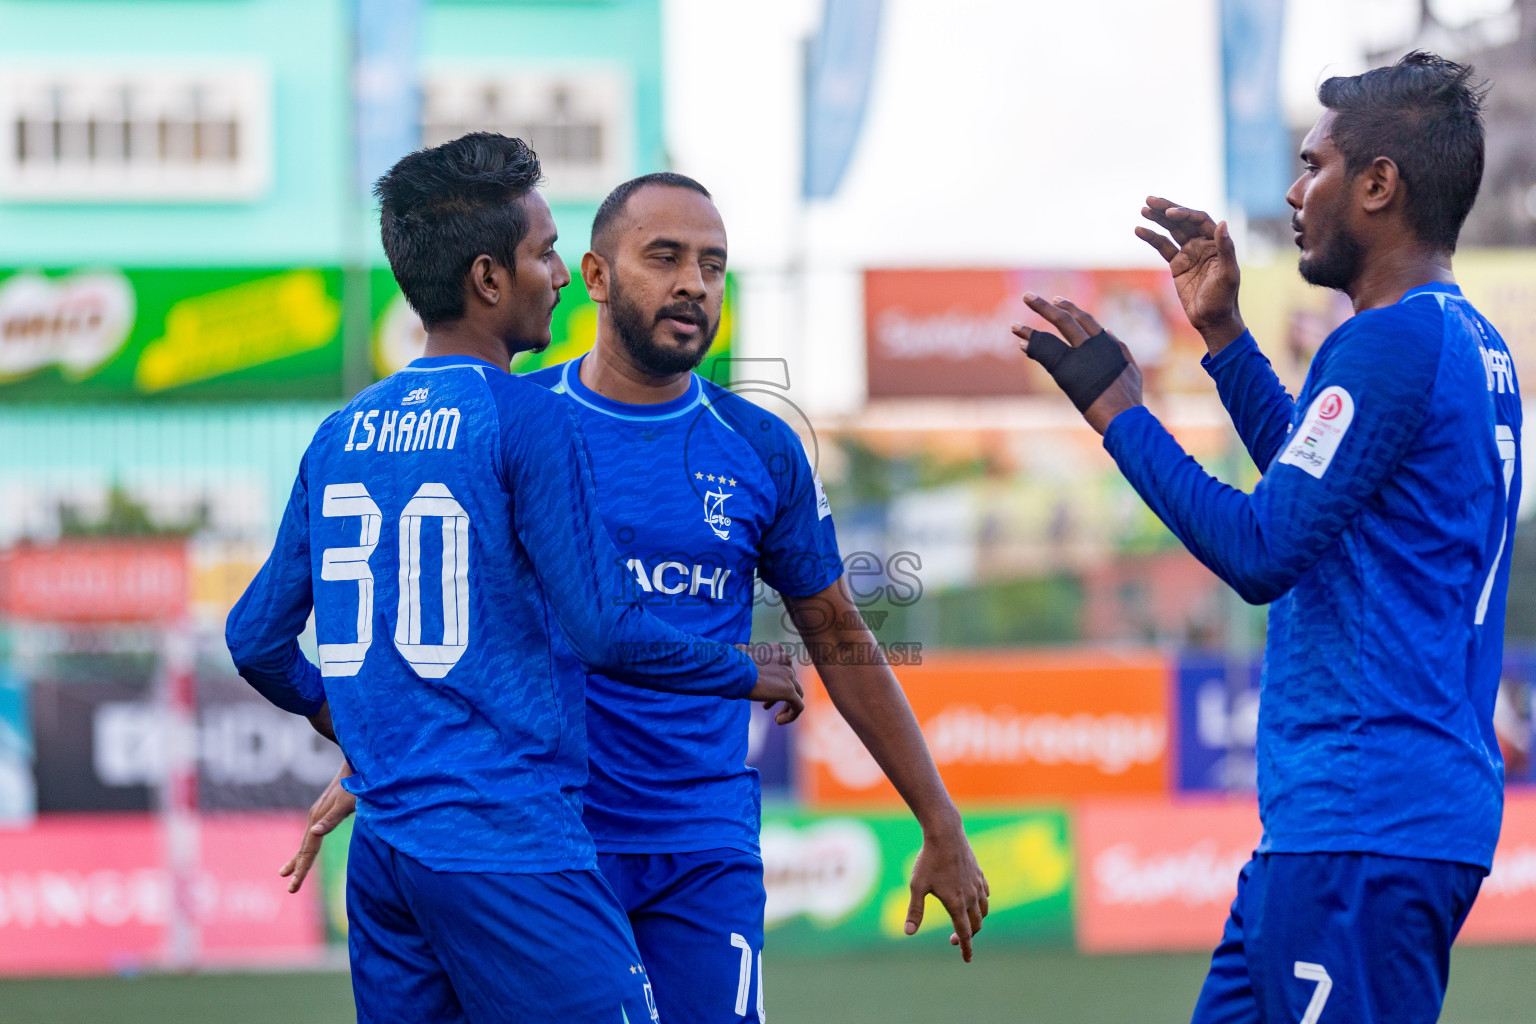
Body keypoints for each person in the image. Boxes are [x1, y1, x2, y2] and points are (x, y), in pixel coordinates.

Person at [284, 171, 990, 1024]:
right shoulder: (509, 420)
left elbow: (840, 632)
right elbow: (426, 622)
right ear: (595, 276)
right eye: (665, 257)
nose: (694, 281)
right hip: (544, 838)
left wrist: (938, 818)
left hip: (699, 845)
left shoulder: (759, 447)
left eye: (714, 264)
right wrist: (384, 756)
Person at [225, 134, 804, 1024]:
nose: (561, 277)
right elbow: (604, 631)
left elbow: (254, 639)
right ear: (490, 279)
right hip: (510, 842)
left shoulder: (340, 431)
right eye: (543, 255)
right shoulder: (528, 418)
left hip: (385, 862)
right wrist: (743, 670)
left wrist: (340, 717)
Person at [1017, 52, 1516, 1024]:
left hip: (1363, 825)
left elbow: (1261, 549)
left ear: (1378, 184)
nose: (1293, 191)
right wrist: (1227, 341)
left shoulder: (1388, 340)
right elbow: (1315, 485)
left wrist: (1118, 409)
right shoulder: (1462, 339)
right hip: (1350, 825)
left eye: (1313, 164)